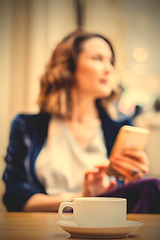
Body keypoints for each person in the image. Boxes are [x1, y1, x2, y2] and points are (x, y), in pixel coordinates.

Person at [3, 29, 160, 213]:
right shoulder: (27, 126)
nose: (109, 68)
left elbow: (128, 199)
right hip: (44, 228)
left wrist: (134, 180)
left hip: (105, 226)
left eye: (110, 61)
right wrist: (81, 199)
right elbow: (15, 199)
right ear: (68, 67)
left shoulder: (120, 129)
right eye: (97, 59)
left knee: (151, 186)